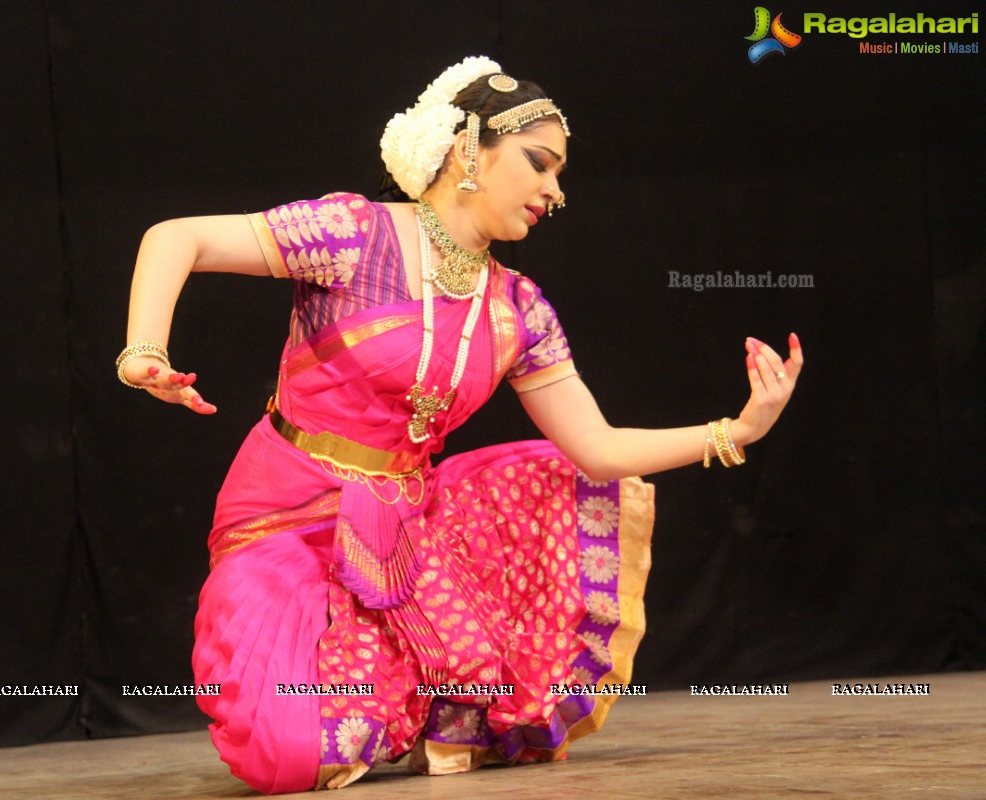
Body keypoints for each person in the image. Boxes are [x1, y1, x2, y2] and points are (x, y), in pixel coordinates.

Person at [118, 56, 803, 794]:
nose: (555, 191)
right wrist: (143, 354)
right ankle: (385, 700)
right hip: (282, 520)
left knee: (548, 475)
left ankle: (407, 699)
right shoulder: (353, 234)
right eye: (540, 164)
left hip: (405, 535)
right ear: (469, 150)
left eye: (560, 174)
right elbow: (174, 237)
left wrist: (737, 430)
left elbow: (597, 450)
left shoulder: (519, 307)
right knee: (280, 757)